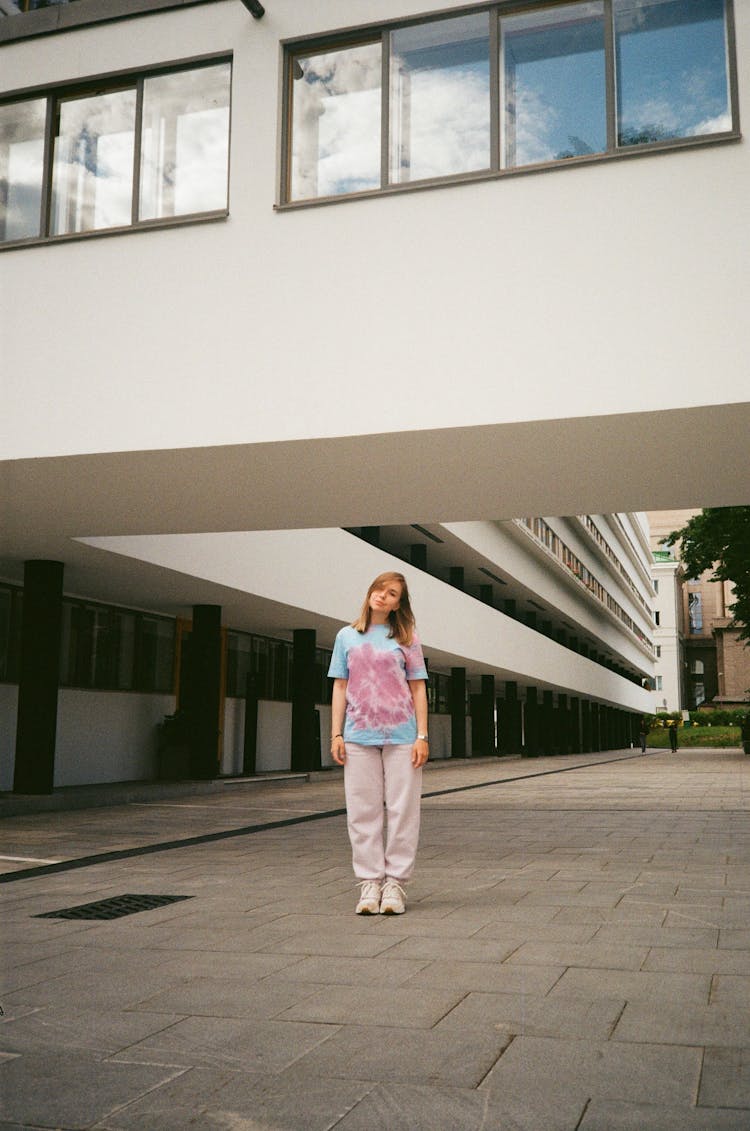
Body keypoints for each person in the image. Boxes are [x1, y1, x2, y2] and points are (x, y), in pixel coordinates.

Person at [328, 571, 429, 915]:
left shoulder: (407, 638)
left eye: (392, 593)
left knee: (403, 811)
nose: (382, 596)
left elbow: (418, 687)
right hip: (358, 735)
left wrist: (422, 736)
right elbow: (340, 686)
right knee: (362, 812)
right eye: (379, 589)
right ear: (370, 592)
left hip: (402, 736)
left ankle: (396, 885)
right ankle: (370, 883)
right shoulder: (347, 636)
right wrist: (336, 733)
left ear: (399, 603)